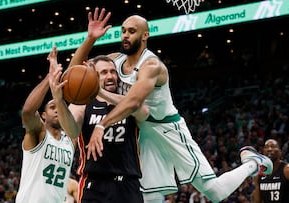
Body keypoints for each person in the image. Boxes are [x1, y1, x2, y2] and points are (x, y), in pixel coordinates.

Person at [70, 7, 274, 203]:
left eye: (132, 31)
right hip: (140, 131)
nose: (125, 35)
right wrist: (90, 39)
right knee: (146, 194)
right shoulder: (114, 61)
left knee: (215, 192)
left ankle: (253, 163)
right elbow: (73, 73)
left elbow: (133, 102)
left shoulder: (151, 66)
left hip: (166, 129)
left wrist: (101, 124)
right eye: (123, 31)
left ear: (145, 35)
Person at [49, 51, 149, 202]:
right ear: (93, 76)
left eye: (113, 72)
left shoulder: (128, 100)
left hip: (128, 184)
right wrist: (58, 100)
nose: (110, 76)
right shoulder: (82, 104)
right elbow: (71, 130)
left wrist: (99, 91)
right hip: (94, 185)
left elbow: (143, 111)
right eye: (103, 72)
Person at [15, 47, 78, 203]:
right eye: (52, 107)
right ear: (43, 116)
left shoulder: (70, 138)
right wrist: (50, 78)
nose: (57, 110)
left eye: (59, 106)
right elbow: (28, 111)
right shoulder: (39, 134)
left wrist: (59, 98)